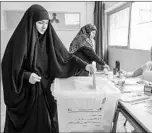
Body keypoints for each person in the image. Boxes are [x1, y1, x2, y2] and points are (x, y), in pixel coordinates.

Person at [1, 4, 96, 133]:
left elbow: (66, 57)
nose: (44, 26)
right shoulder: (19, 40)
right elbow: (9, 66)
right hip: (27, 94)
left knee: (46, 123)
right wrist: (27, 76)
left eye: (46, 22)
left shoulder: (49, 38)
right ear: (32, 21)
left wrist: (85, 65)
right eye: (40, 22)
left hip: (45, 89)